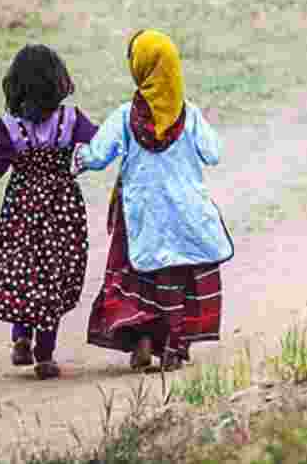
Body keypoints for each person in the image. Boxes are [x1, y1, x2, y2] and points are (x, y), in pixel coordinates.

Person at [71, 29, 233, 373]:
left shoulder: (123, 117)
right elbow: (213, 153)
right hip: (186, 215)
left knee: (140, 279)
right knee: (181, 278)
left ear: (139, 68)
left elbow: (97, 156)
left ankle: (142, 340)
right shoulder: (189, 115)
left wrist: (78, 155)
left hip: (141, 216)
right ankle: (175, 347)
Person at [0, 44, 97, 380]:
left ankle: (21, 337)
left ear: (15, 86)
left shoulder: (8, 126)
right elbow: (99, 146)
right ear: (59, 81)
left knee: (25, 272)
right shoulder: (72, 119)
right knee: (54, 277)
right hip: (63, 211)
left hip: (21, 209)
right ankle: (45, 357)